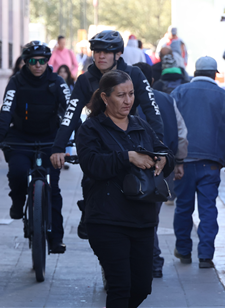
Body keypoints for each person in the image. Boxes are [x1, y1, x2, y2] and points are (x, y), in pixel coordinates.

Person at [50, 30, 164, 240]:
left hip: (129, 136)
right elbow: (70, 115)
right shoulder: (86, 80)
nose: (100, 56)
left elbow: (152, 110)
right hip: (98, 138)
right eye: (96, 52)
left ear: (118, 54)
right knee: (91, 178)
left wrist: (161, 148)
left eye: (106, 52)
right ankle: (89, 214)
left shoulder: (134, 75)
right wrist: (58, 147)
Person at [76, 70, 174, 308]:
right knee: (120, 287)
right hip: (107, 219)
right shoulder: (91, 129)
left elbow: (164, 151)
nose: (128, 100)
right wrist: (127, 157)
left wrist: (164, 160)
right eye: (121, 95)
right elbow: (92, 165)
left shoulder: (140, 124)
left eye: (130, 94)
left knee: (142, 287)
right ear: (105, 98)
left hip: (142, 219)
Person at [0, 41, 70, 254]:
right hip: (20, 138)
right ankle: (18, 201)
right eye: (33, 61)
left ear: (48, 61)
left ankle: (56, 238)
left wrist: (75, 138)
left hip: (50, 140)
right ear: (26, 62)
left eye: (42, 61)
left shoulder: (57, 82)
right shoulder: (16, 82)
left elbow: (70, 111)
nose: (38, 65)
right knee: (17, 171)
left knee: (53, 187)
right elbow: (6, 109)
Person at [170, 56, 225, 268]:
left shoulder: (178, 93)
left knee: (183, 206)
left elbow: (169, 125)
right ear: (214, 74)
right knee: (208, 208)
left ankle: (183, 250)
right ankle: (206, 255)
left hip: (183, 161)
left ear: (195, 71)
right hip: (210, 162)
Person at [134, 62, 188, 279]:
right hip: (161, 165)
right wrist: (180, 161)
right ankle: (154, 262)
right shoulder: (166, 99)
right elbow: (182, 133)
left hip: (134, 166)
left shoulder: (125, 98)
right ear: (153, 81)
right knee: (151, 216)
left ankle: (150, 261)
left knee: (135, 216)